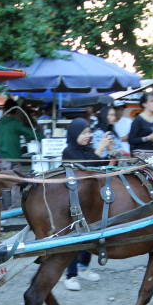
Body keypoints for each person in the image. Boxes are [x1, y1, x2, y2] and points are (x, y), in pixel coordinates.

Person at [61, 118, 112, 291]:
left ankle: (83, 268)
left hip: (91, 200)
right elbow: (86, 169)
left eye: (89, 132)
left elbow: (101, 166)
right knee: (76, 238)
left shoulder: (88, 149)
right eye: (83, 132)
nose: (87, 135)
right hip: (74, 201)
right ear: (75, 133)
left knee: (92, 236)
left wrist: (110, 152)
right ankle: (70, 275)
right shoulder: (68, 152)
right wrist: (99, 149)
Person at [0, 100, 43, 171]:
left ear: (4, 110)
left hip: (1, 161)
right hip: (13, 160)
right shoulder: (16, 124)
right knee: (13, 181)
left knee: (4, 181)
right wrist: (44, 138)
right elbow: (30, 134)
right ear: (16, 110)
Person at [128, 92, 153, 157]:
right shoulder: (139, 119)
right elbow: (131, 140)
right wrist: (148, 138)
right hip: (142, 154)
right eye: (152, 101)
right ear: (144, 104)